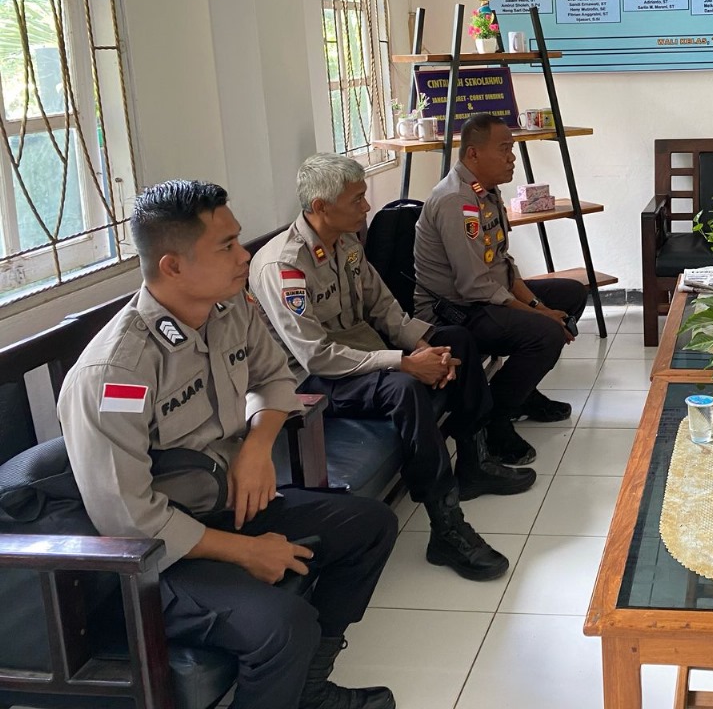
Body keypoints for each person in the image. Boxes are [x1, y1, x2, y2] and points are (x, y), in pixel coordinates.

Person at [57, 180, 397, 709]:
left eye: (238, 240)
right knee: (284, 625)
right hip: (155, 558)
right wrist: (247, 551)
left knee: (370, 526)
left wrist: (258, 446)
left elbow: (276, 378)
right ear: (172, 266)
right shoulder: (116, 373)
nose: (244, 256)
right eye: (227, 246)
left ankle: (309, 688)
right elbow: (130, 520)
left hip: (226, 505)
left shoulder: (228, 307)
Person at [250, 154, 531, 582]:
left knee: (455, 340)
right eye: (357, 199)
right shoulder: (284, 266)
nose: (367, 207)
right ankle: (446, 525)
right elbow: (316, 356)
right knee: (404, 388)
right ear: (321, 206)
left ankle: (474, 461)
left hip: (362, 358)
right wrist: (403, 362)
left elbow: (384, 309)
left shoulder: (345, 243)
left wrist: (424, 347)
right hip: (314, 382)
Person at [414, 115, 586, 466]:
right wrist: (541, 315)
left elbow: (502, 264)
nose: (512, 157)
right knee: (546, 334)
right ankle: (495, 419)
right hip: (454, 312)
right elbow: (474, 285)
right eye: (505, 149)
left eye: (512, 148)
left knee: (572, 294)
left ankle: (521, 393)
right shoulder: (456, 201)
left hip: (484, 296)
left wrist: (539, 305)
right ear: (473, 154)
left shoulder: (484, 191)